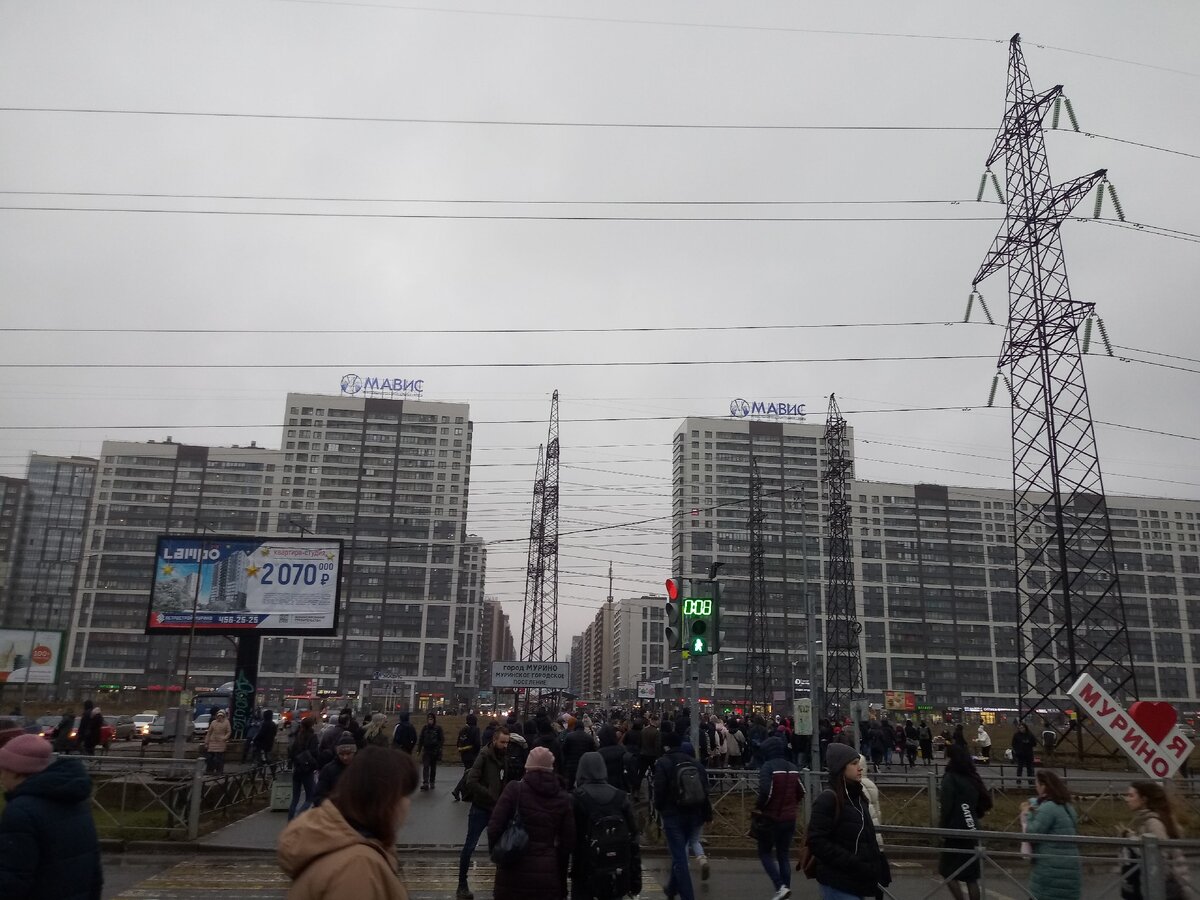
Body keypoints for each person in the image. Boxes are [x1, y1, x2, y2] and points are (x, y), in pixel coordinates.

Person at [278, 745, 417, 899]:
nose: (407, 804)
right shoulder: (358, 866)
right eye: (404, 795)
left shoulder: (355, 847)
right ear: (385, 800)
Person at [0, 732, 103, 898]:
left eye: (3, 770)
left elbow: (12, 880)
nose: (1, 777)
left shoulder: (21, 812)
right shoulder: (76, 802)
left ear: (16, 771)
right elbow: (94, 870)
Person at [805, 743, 892, 900]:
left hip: (857, 880)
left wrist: (878, 865)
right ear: (840, 767)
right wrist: (851, 861)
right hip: (837, 882)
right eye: (853, 763)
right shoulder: (828, 799)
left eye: (859, 763)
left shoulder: (858, 796)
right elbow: (817, 841)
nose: (860, 768)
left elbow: (867, 836)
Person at [487, 745, 575, 900]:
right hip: (547, 875)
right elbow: (568, 843)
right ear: (551, 768)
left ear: (527, 767)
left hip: (512, 872)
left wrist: (501, 855)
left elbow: (494, 828)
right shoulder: (562, 797)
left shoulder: (514, 790)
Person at [572, 751, 641, 900]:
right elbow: (633, 836)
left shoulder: (577, 798)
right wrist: (635, 878)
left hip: (585, 867)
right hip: (616, 867)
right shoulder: (620, 796)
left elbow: (570, 836)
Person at [653, 730, 712, 900]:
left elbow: (659, 789)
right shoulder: (695, 763)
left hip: (673, 815)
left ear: (666, 746)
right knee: (680, 852)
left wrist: (659, 809)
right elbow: (705, 789)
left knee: (680, 857)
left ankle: (687, 896)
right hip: (694, 814)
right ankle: (672, 889)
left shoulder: (663, 762)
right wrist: (707, 814)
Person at [456, 726, 510, 900]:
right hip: (480, 808)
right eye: (502, 742)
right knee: (470, 846)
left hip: (496, 809)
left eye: (507, 742)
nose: (505, 745)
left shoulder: (503, 756)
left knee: (500, 848)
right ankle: (462, 885)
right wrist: (490, 794)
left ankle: (501, 886)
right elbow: (471, 781)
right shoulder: (484, 755)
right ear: (494, 740)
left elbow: (503, 779)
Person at [1122, 780, 1195, 899]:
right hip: (1163, 885)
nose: (1127, 799)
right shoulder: (1149, 819)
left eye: (1131, 795)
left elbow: (1157, 855)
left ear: (1144, 799)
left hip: (1163, 887)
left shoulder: (1153, 823)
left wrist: (1132, 839)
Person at [753, 734, 804, 900]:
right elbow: (801, 791)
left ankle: (780, 886)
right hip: (790, 819)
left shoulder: (768, 767)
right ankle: (785, 890)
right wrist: (791, 804)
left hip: (771, 818)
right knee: (783, 855)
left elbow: (765, 793)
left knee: (764, 853)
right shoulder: (792, 767)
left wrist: (759, 807)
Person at [938, 744, 993, 900]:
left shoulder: (950, 778)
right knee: (971, 876)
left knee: (947, 871)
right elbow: (981, 801)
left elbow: (946, 806)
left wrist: (942, 828)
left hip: (955, 830)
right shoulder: (972, 776)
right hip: (973, 828)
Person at [1021, 770, 1081, 900]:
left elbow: (1032, 833)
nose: (1036, 788)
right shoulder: (1067, 806)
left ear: (1043, 786)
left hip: (1050, 865)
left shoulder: (1049, 807)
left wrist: (1027, 814)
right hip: (1070, 864)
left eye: (1037, 784)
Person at [288, 716, 321, 820]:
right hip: (307, 770)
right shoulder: (313, 737)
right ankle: (299, 818)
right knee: (310, 797)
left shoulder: (298, 736)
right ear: (311, 725)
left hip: (297, 770)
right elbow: (315, 753)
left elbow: (292, 753)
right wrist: (314, 764)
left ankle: (290, 820)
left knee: (295, 799)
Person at [314, 734, 358, 806]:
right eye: (341, 754)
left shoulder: (361, 769)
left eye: (348, 753)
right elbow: (319, 796)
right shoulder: (328, 770)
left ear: (354, 752)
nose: (345, 757)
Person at [452, 714, 481, 802]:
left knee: (467, 772)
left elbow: (458, 743)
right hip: (472, 754)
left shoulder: (463, 730)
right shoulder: (475, 729)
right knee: (469, 773)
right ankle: (458, 790)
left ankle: (460, 791)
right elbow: (477, 743)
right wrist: (476, 752)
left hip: (464, 754)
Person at [563, 718, 596, 789]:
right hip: (584, 766)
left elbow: (564, 750)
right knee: (583, 786)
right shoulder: (589, 738)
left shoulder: (569, 736)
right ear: (583, 727)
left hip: (571, 766)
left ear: (575, 727)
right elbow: (593, 751)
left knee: (570, 785)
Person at [417, 713, 444, 791]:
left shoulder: (438, 729)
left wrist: (438, 748)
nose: (430, 720)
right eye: (429, 719)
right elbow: (421, 739)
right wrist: (419, 749)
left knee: (433, 767)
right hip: (426, 750)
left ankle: (432, 781)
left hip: (434, 750)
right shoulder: (425, 728)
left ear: (434, 720)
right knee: (426, 766)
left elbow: (441, 739)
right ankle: (425, 782)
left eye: (431, 719)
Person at [203, 708, 232, 774]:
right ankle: (209, 770)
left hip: (221, 742)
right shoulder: (213, 722)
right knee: (210, 757)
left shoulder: (226, 722)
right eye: (218, 715)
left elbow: (229, 731)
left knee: (219, 757)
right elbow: (209, 732)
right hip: (212, 741)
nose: (219, 717)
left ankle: (219, 770)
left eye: (221, 716)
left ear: (223, 716)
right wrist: (206, 742)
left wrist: (224, 738)